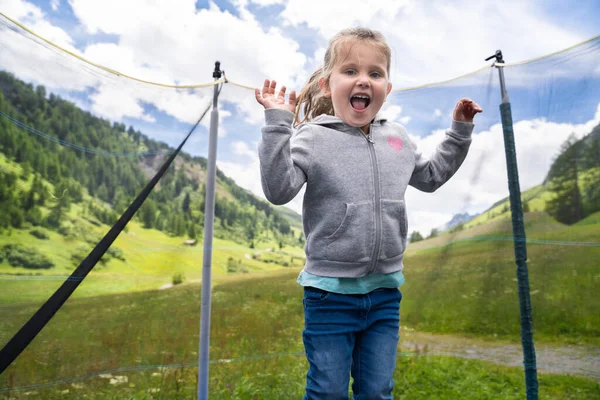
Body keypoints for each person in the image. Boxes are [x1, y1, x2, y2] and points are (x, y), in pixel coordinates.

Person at [255, 27, 482, 400]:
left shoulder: (399, 138)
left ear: (386, 89)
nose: (364, 80)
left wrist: (458, 133)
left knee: (377, 391)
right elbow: (279, 190)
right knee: (327, 392)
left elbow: (431, 177)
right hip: (329, 295)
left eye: (375, 74)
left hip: (384, 294)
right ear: (327, 85)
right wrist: (278, 124)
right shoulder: (312, 137)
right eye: (350, 71)